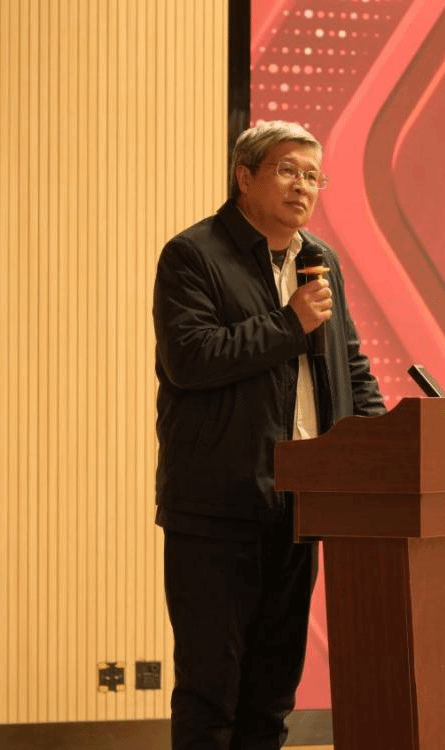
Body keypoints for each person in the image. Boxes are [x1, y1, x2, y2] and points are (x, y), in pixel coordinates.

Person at [152, 120, 385, 749]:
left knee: (273, 688)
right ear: (245, 176)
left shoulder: (319, 260)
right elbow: (190, 358)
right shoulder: (194, 254)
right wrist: (289, 324)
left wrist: (386, 442)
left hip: (301, 504)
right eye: (287, 170)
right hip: (218, 506)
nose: (302, 186)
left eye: (313, 175)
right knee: (212, 691)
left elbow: (348, 364)